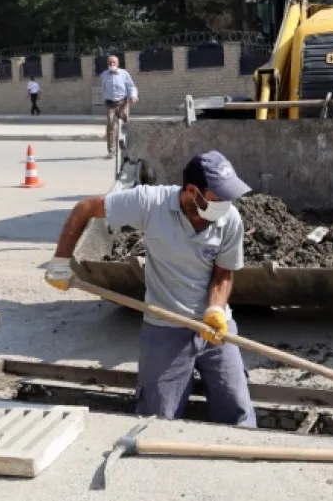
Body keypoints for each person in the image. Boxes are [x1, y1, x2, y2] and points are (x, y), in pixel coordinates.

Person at [44, 151, 256, 427]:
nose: (226, 204)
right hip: (165, 326)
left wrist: (215, 309)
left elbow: (224, 273)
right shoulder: (151, 203)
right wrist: (61, 261)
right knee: (156, 418)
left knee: (238, 410)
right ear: (193, 191)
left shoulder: (230, 219)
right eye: (219, 197)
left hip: (215, 327)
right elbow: (84, 208)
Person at [100, 55, 137, 159]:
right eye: (110, 63)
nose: (112, 65)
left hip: (122, 103)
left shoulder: (124, 74)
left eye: (114, 63)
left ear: (118, 63)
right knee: (111, 126)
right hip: (110, 104)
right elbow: (103, 88)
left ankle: (128, 148)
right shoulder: (104, 74)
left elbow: (131, 86)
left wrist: (133, 96)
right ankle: (111, 150)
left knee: (126, 125)